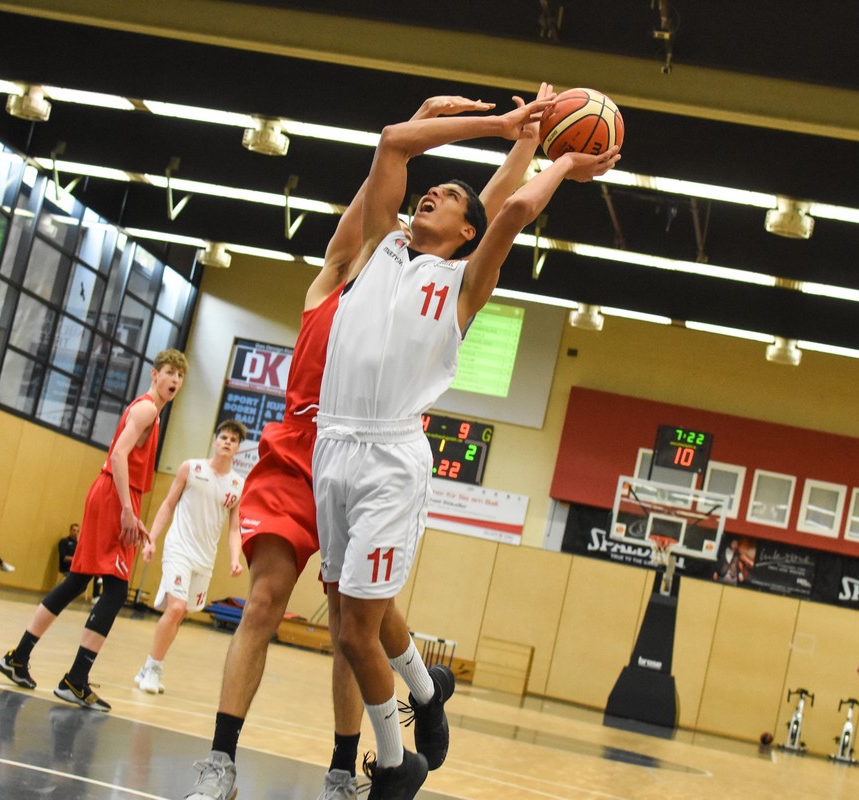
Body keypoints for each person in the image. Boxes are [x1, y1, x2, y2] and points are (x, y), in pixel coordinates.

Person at [183, 90, 557, 800]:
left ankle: (357, 756)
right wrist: (428, 118)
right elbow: (391, 160)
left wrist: (528, 142)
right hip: (301, 451)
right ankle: (221, 760)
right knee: (268, 602)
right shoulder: (342, 273)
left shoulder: (421, 275)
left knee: (356, 617)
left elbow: (491, 210)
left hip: (377, 448)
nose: (416, 205)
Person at [311, 94, 618, 799]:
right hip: (332, 447)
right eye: (433, 190)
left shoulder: (461, 283)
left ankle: (394, 765)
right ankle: (426, 689)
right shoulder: (380, 245)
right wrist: (507, 130)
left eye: (449, 197)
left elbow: (505, 211)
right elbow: (393, 142)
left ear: (464, 233)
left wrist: (562, 159)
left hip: (389, 459)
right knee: (347, 608)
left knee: (357, 629)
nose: (433, 194)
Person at [0, 348, 188, 712]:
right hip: (113, 495)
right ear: (155, 375)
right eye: (169, 373)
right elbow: (118, 455)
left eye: (180, 376)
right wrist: (127, 510)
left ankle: (18, 657)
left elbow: (124, 463)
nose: (175, 381)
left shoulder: (150, 411)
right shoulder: (147, 408)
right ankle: (75, 680)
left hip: (114, 494)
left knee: (77, 581)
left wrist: (130, 509)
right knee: (115, 590)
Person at [134, 419, 247, 695]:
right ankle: (154, 667)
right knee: (175, 608)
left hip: (204, 558)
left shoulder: (237, 485)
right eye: (224, 437)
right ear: (214, 440)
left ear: (237, 449)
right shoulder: (191, 468)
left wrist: (235, 558)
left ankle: (148, 666)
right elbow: (168, 504)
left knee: (181, 612)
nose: (227, 442)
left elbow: (234, 528)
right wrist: (151, 541)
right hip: (179, 549)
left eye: (233, 440)